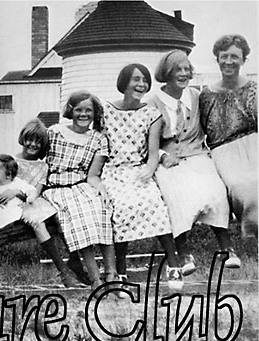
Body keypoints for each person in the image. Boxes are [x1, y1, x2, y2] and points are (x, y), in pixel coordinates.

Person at [146, 50, 240, 275]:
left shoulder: (197, 96)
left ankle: (227, 248)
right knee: (174, 194)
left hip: (197, 154)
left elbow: (213, 126)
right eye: (177, 70)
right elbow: (146, 140)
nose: (183, 74)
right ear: (167, 73)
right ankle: (184, 253)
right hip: (168, 159)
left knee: (215, 190)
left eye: (186, 69)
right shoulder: (153, 103)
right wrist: (162, 156)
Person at [102, 63, 182, 289]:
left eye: (145, 80)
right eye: (136, 79)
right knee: (120, 207)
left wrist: (148, 169)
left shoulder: (152, 115)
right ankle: (121, 270)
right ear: (124, 82)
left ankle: (174, 264)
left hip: (138, 168)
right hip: (112, 171)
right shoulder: (106, 111)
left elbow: (153, 153)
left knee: (155, 203)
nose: (141, 84)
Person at [43, 91, 118, 290]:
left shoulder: (98, 139)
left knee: (102, 207)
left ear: (95, 113)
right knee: (79, 216)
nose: (83, 114)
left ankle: (111, 273)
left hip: (82, 185)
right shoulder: (54, 132)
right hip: (57, 188)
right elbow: (36, 159)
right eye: (78, 110)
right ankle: (96, 279)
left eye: (88, 110)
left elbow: (93, 175)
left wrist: (101, 190)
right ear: (71, 111)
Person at [15, 119, 90, 287]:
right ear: (23, 139)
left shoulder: (43, 165)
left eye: (38, 141)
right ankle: (63, 271)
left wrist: (32, 197)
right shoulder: (13, 161)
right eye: (29, 139)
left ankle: (75, 260)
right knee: (38, 222)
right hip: (16, 203)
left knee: (60, 215)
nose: (33, 144)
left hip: (34, 200)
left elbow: (38, 188)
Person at [199, 34, 257, 238]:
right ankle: (253, 233)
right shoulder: (206, 95)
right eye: (224, 56)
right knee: (243, 187)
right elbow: (201, 130)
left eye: (234, 57)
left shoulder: (254, 90)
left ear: (243, 60)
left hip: (253, 146)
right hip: (224, 152)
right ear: (217, 59)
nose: (229, 62)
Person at [0, 154, 38, 230]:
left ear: (8, 174)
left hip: (11, 215)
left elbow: (31, 190)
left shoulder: (17, 183)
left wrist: (31, 197)